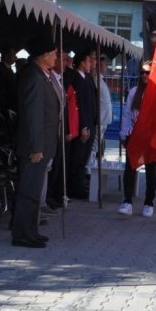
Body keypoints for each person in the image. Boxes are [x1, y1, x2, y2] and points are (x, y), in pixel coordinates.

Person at [10, 36, 61, 248]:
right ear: (45, 55)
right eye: (55, 54)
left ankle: (31, 230)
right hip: (35, 147)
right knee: (28, 191)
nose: (57, 57)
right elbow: (33, 115)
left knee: (34, 191)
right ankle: (22, 235)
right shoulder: (33, 76)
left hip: (43, 144)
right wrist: (36, 146)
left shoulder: (43, 75)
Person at [118, 64, 156, 218]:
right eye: (142, 72)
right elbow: (127, 114)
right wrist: (124, 134)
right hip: (133, 136)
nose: (144, 75)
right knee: (130, 169)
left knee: (151, 171)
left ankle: (149, 203)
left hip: (151, 138)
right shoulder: (134, 92)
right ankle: (127, 202)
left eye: (147, 72)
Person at [64, 51, 99, 200]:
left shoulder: (89, 78)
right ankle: (74, 188)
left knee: (84, 158)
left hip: (91, 122)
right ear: (82, 63)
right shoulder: (76, 78)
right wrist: (84, 125)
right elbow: (80, 105)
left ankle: (79, 185)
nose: (91, 64)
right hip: (82, 124)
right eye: (89, 61)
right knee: (77, 157)